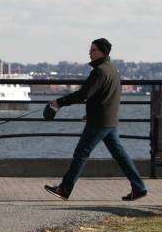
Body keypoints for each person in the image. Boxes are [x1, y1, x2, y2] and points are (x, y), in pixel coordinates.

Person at [44, 38, 148, 201]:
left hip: (99, 122)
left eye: (93, 50)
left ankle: (65, 189)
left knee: (81, 153)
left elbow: (83, 94)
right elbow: (106, 97)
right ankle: (139, 187)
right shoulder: (113, 70)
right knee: (120, 154)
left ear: (101, 52)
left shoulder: (99, 71)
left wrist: (59, 102)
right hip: (108, 120)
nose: (89, 52)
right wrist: (92, 113)